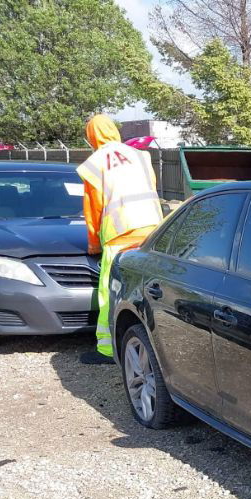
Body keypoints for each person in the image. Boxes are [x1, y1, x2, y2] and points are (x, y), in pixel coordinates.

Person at [76, 114, 163, 364]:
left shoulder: (94, 164)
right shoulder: (140, 156)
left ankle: (106, 350)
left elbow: (93, 209)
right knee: (147, 286)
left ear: (92, 136)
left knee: (110, 290)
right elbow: (153, 188)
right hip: (152, 229)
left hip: (120, 233)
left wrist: (93, 243)